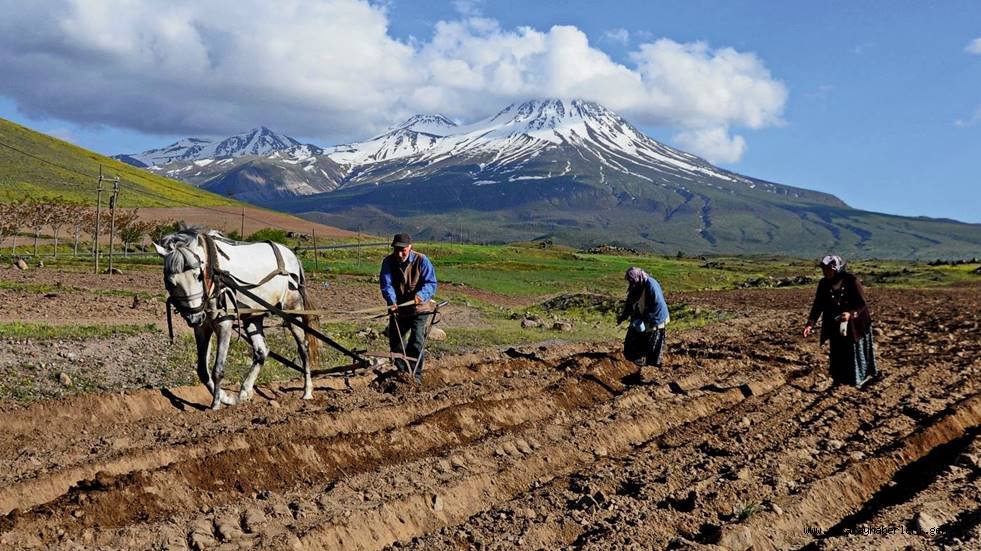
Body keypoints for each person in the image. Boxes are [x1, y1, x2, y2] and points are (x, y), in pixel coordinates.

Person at [803, 255, 878, 387]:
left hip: (856, 323)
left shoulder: (851, 280)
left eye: (828, 269)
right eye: (824, 270)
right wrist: (810, 323)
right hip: (835, 323)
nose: (826, 272)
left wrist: (850, 314)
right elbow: (818, 305)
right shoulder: (824, 284)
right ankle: (839, 380)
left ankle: (857, 380)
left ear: (836, 268)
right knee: (838, 351)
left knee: (853, 351)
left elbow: (861, 305)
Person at [379, 233, 438, 382]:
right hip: (398, 308)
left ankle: (415, 375)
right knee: (396, 340)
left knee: (416, 340)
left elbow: (431, 283)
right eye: (396, 250)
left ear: (410, 247)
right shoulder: (388, 262)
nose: (399, 253)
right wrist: (392, 301)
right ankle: (402, 371)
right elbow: (387, 284)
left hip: (419, 308)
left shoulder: (422, 260)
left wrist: (421, 295)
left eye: (403, 250)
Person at [616, 267, 670, 366]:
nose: (631, 282)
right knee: (631, 342)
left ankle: (653, 367)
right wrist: (623, 317)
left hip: (655, 318)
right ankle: (636, 361)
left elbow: (657, 304)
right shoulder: (635, 286)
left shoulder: (651, 284)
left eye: (631, 280)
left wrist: (646, 319)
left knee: (653, 345)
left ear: (637, 277)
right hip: (641, 318)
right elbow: (629, 304)